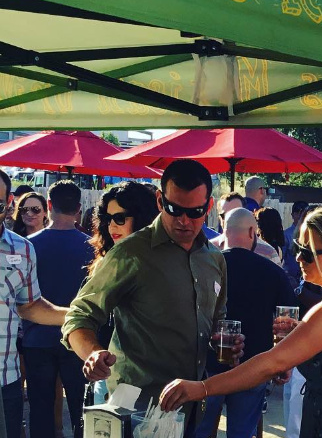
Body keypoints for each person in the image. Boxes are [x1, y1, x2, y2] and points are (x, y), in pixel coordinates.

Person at [158, 205, 322, 438]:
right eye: (298, 247)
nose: (298, 258)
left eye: (307, 252)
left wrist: (201, 388)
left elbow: (270, 363)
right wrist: (305, 335)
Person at [63, 159, 236, 430]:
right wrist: (93, 353)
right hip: (135, 408)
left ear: (209, 206)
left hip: (190, 406)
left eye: (195, 212)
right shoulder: (131, 253)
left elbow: (216, 323)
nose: (184, 220)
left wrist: (228, 343)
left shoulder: (214, 258)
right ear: (159, 201)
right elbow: (79, 315)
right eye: (174, 209)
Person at [194, 208, 297, 438]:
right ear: (252, 232)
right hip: (253, 368)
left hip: (207, 365)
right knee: (242, 433)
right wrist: (284, 362)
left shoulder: (206, 268)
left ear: (224, 230)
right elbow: (288, 319)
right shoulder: (272, 272)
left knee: (201, 431)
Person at [21, 180, 93, 438]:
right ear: (78, 208)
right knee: (82, 409)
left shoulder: (28, 245)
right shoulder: (92, 248)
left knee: (40, 408)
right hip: (78, 338)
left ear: (49, 205)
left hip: (36, 337)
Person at [0, 170, 68, 438]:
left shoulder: (22, 249)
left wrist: (77, 316)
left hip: (5, 380)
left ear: (9, 203)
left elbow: (29, 306)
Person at [86, 181, 160, 404]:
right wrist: (92, 350)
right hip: (111, 372)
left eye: (120, 218)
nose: (111, 226)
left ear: (142, 217)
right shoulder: (108, 258)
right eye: (107, 219)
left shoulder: (160, 261)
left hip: (152, 376)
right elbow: (81, 313)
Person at [212, 193, 281, 266]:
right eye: (224, 215)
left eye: (237, 213)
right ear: (220, 218)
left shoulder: (268, 253)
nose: (230, 218)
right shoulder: (210, 249)